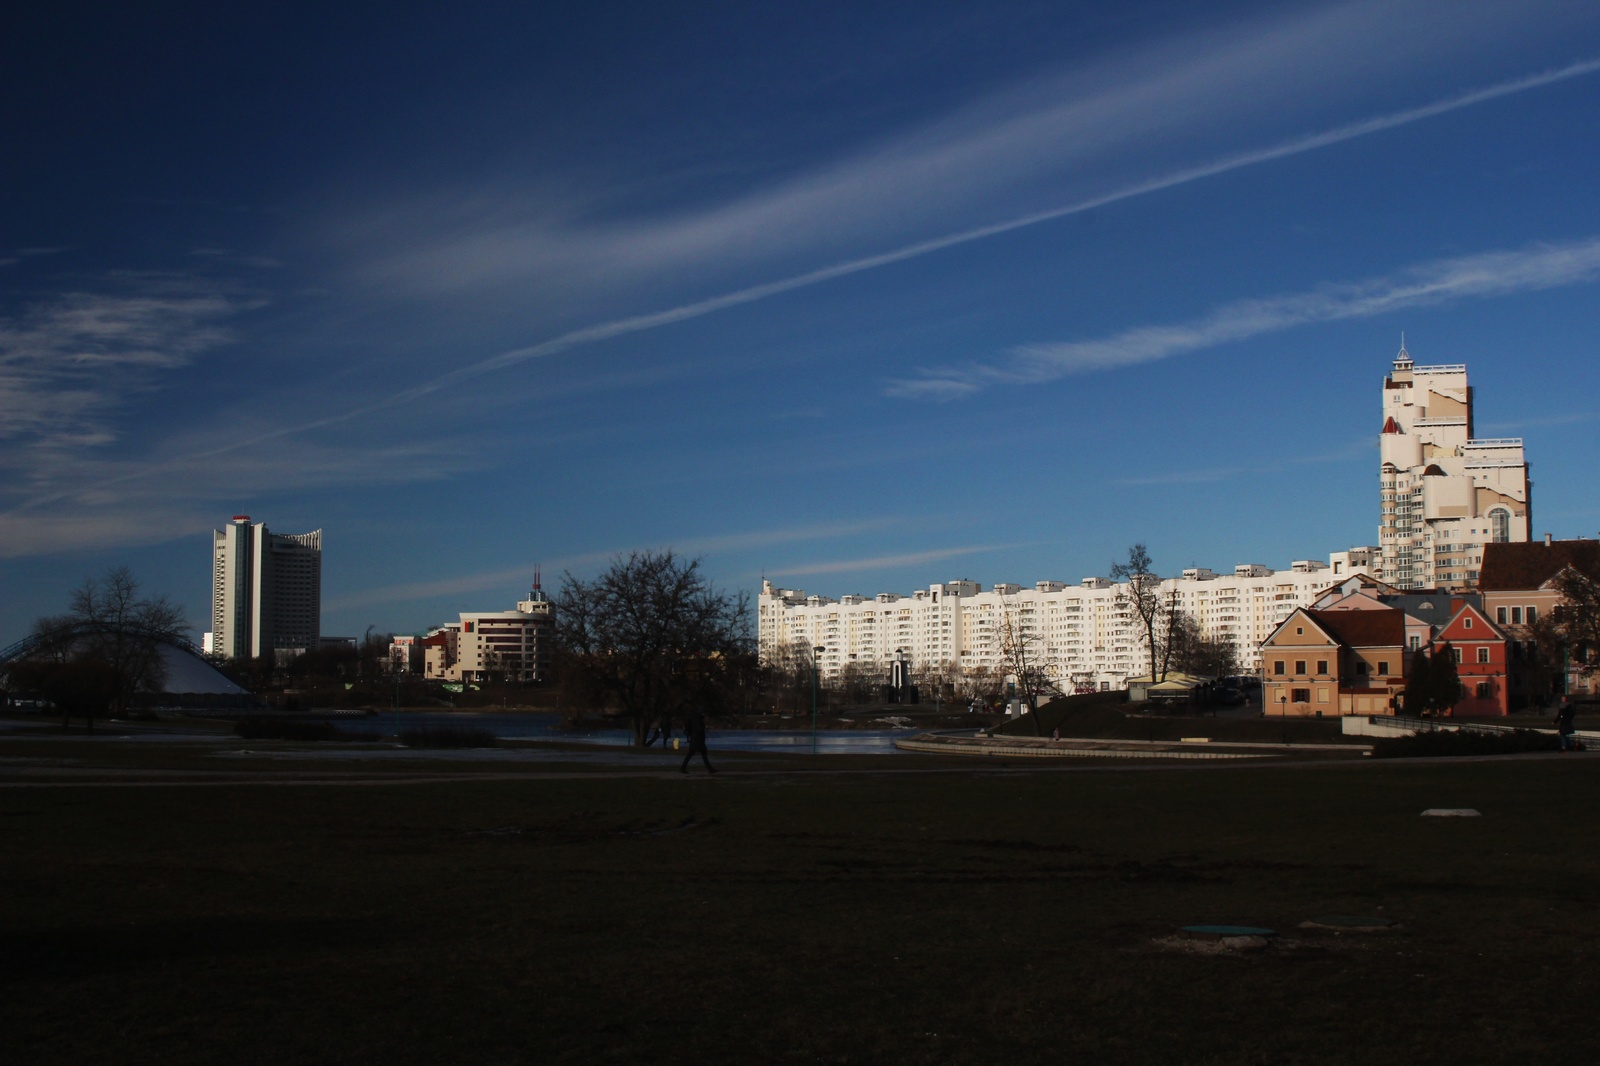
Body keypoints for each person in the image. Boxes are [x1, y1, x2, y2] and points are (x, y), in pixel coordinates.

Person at [680, 708, 715, 774]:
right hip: (697, 740)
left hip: (695, 739)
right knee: (694, 754)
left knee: (699, 754)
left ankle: (710, 768)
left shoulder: (694, 719)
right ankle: (683, 768)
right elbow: (699, 730)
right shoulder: (698, 720)